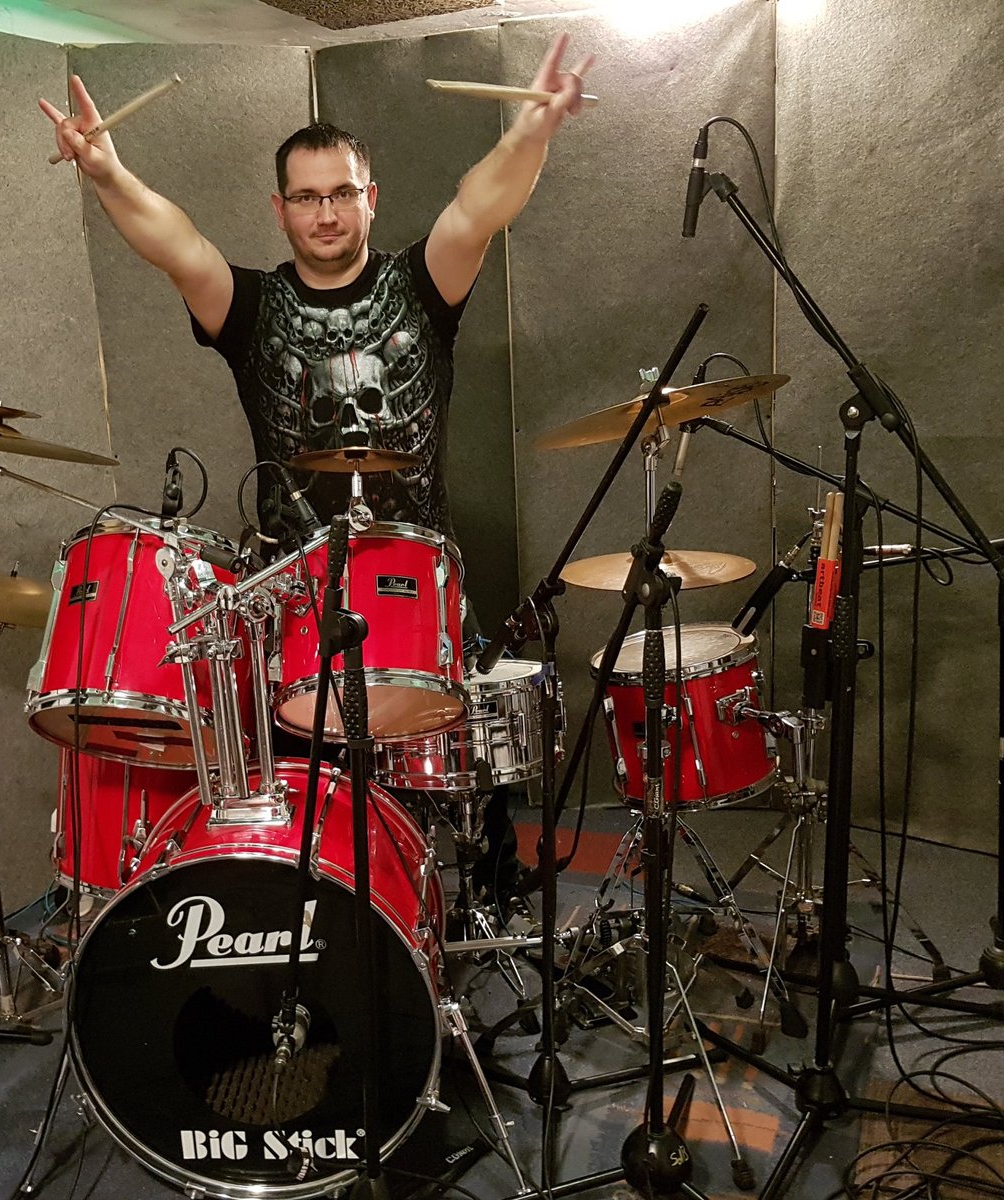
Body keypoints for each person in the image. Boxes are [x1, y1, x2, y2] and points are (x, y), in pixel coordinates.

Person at [39, 35, 593, 910]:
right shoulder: (250, 307)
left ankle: (470, 902)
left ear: (371, 198)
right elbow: (176, 244)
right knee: (310, 824)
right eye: (306, 197)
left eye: (341, 193)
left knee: (465, 806)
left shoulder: (421, 286)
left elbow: (477, 209)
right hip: (293, 603)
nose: (325, 213)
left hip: (414, 589)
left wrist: (533, 132)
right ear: (280, 208)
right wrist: (106, 171)